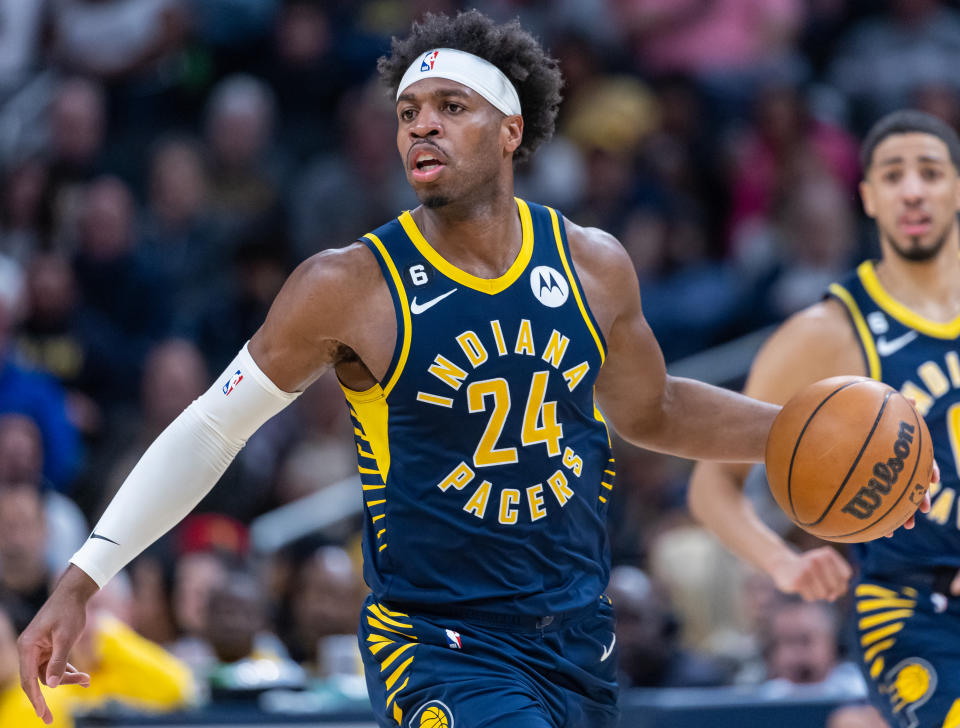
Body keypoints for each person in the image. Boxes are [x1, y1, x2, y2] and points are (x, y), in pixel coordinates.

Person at [18, 12, 925, 728]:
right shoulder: (349, 286)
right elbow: (213, 428)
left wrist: (796, 435)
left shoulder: (592, 262)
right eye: (410, 112)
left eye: (450, 107)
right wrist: (83, 576)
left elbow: (648, 408)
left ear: (510, 130)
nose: (423, 126)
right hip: (438, 638)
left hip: (577, 632)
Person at [688, 109, 960, 727]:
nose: (912, 189)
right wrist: (784, 563)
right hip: (911, 606)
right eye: (892, 175)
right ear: (867, 197)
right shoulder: (826, 334)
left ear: (956, 187)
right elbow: (711, 484)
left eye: (930, 172)